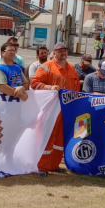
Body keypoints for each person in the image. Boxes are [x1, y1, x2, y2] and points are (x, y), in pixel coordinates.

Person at [32, 42, 80, 176]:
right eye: (60, 51)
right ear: (54, 53)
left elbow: (76, 88)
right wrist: (50, 88)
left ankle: (54, 165)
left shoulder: (72, 68)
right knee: (48, 137)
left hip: (66, 109)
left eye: (65, 51)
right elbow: (34, 84)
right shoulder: (46, 67)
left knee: (60, 139)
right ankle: (42, 167)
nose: (63, 53)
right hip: (50, 109)